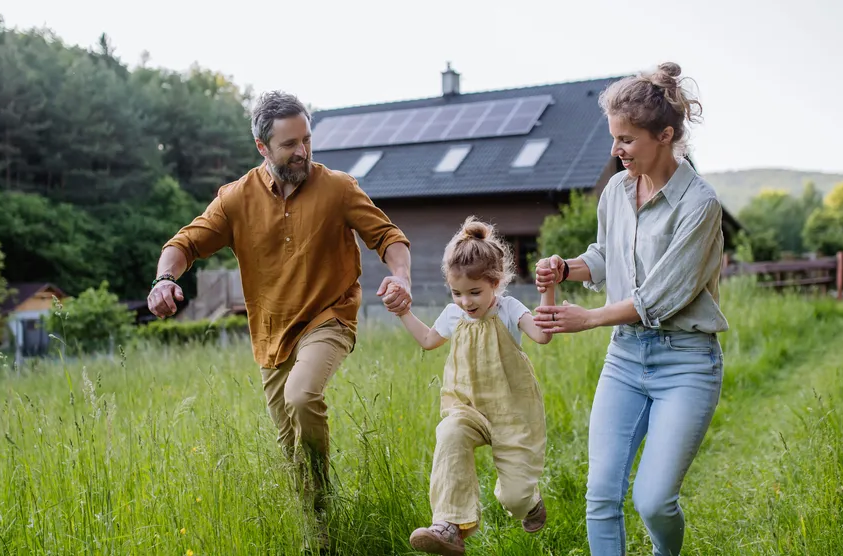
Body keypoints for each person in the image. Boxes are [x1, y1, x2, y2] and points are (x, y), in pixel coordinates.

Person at [146, 90, 413, 554]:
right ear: (262, 148)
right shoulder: (235, 199)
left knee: (303, 395)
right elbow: (184, 243)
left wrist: (401, 276)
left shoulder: (338, 188)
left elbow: (388, 236)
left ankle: (322, 504)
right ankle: (320, 531)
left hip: (330, 317)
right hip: (272, 335)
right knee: (290, 450)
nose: (303, 151)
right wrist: (164, 279)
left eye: (307, 139)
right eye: (290, 144)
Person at [532, 62, 729, 556]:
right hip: (625, 358)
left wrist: (589, 318)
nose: (615, 150)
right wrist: (566, 267)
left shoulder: (699, 206)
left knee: (654, 500)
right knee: (600, 495)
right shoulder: (617, 191)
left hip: (685, 362)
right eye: (614, 137)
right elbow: (605, 255)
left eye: (626, 139)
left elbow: (662, 295)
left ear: (665, 135)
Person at [389, 216, 556, 556]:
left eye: (475, 292)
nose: (466, 301)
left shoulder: (509, 309)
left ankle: (530, 503)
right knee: (449, 433)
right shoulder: (454, 314)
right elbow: (427, 339)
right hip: (467, 408)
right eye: (457, 293)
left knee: (515, 499)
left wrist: (548, 290)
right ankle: (449, 526)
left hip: (512, 413)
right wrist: (403, 311)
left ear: (496, 283)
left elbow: (542, 335)